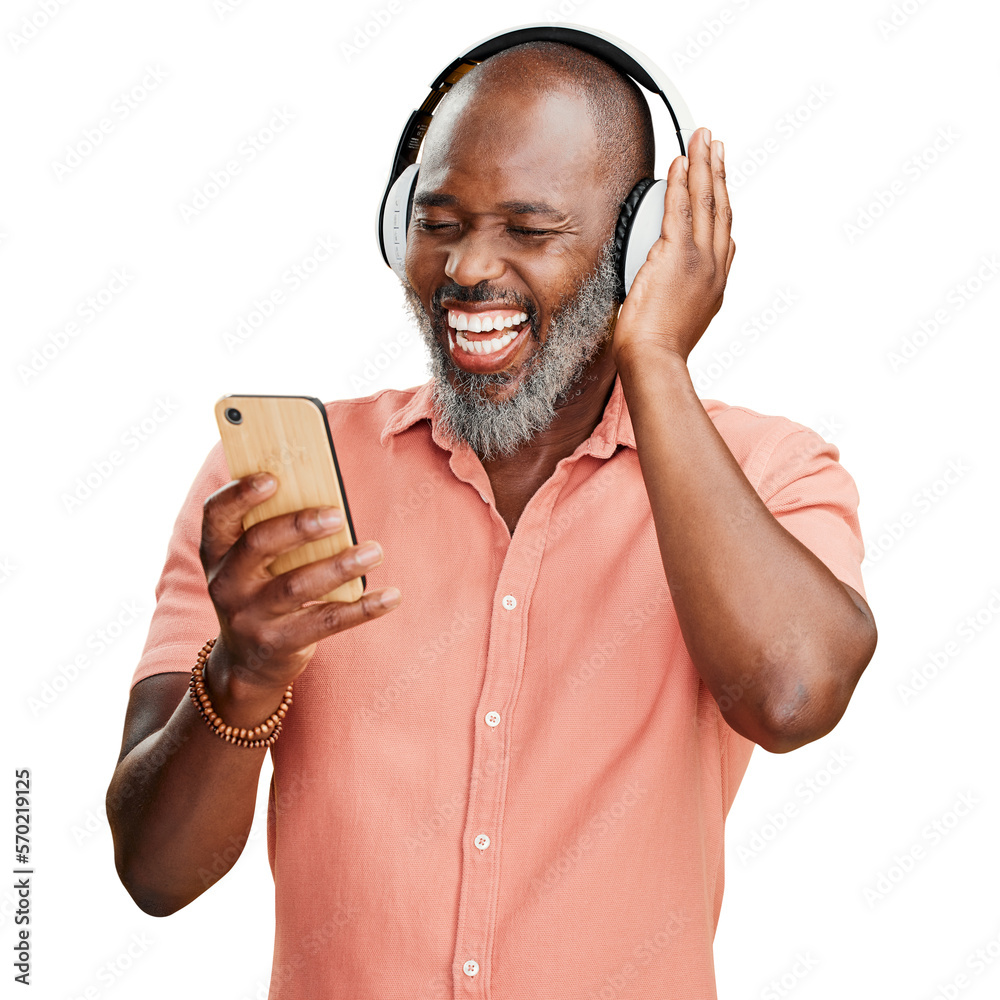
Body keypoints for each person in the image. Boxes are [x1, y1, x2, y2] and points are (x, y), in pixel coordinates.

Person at [106, 37, 877, 1000]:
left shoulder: (766, 473)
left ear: (641, 247)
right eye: (439, 221)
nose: (468, 267)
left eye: (530, 229)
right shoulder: (276, 492)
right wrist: (245, 671)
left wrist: (658, 361)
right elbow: (154, 873)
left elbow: (794, 696)